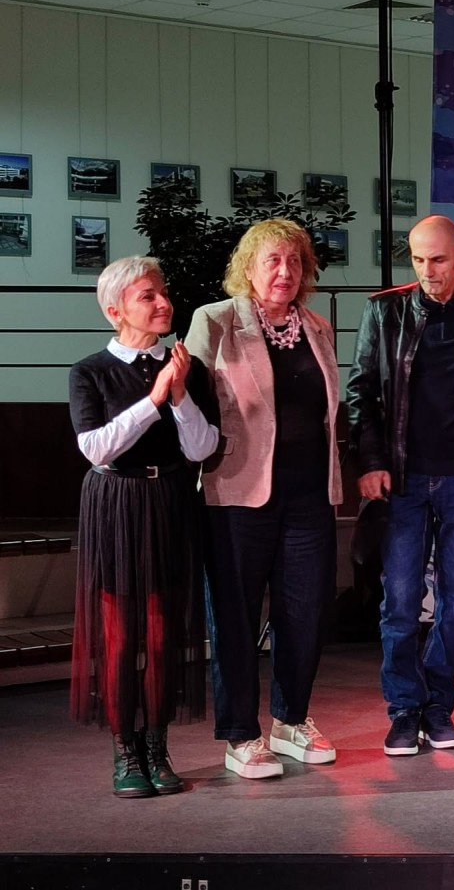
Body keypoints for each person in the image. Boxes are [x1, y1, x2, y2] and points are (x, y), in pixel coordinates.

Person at [347, 215, 454, 756]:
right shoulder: (385, 310)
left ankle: (438, 706)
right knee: (399, 602)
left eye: (437, 259)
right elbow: (361, 390)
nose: (427, 270)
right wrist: (370, 461)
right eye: (417, 259)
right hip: (403, 476)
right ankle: (403, 709)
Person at [186, 219, 343, 779]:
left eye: (295, 261)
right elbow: (189, 405)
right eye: (272, 260)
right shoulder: (215, 321)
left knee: (306, 611)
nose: (285, 271)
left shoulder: (317, 326)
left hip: (309, 494)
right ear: (248, 268)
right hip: (236, 492)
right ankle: (240, 734)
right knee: (234, 614)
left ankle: (290, 720)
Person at [68, 257, 218, 797]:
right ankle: (125, 752)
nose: (163, 303)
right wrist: (154, 399)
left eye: (163, 292)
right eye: (147, 296)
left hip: (170, 498)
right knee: (119, 636)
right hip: (115, 501)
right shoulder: (90, 371)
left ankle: (156, 748)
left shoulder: (188, 369)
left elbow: (202, 448)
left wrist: (178, 396)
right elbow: (96, 448)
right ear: (115, 311)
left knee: (162, 635)